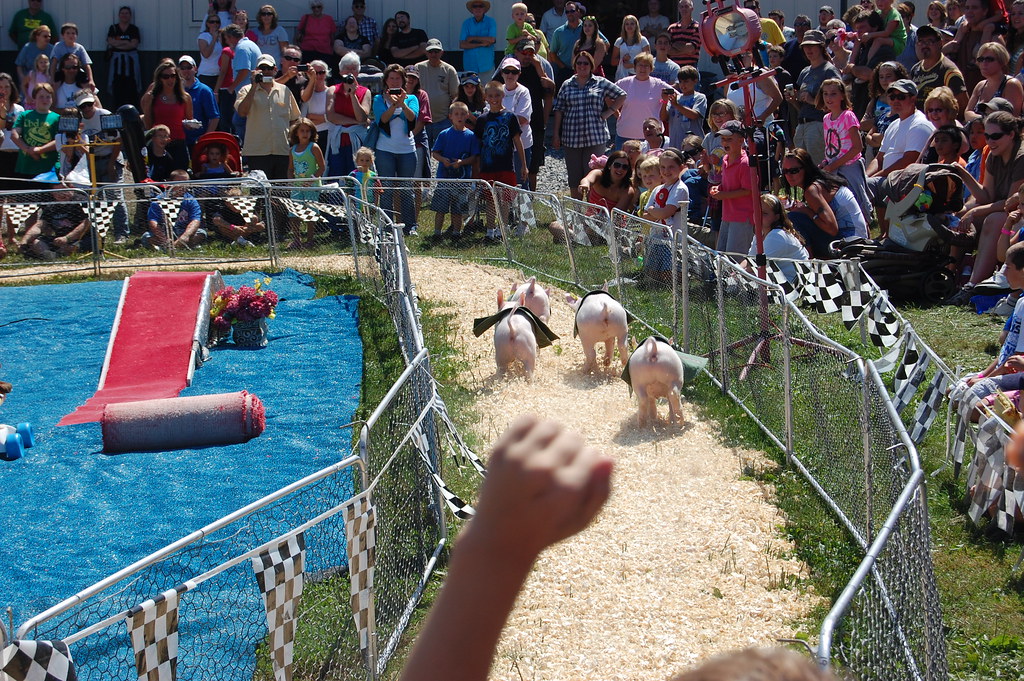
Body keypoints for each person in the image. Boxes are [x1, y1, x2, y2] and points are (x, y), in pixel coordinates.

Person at [949, 111, 1024, 300]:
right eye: (987, 136)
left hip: (1017, 215)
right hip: (1004, 211)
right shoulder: (992, 154)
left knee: (993, 219)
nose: (990, 141)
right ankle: (950, 276)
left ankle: (974, 286)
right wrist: (964, 174)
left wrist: (975, 211)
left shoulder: (1021, 157)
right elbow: (986, 196)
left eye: (996, 136)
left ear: (1011, 135)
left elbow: (1010, 204)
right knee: (958, 216)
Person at [552, 51, 626, 199]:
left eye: (585, 63)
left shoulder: (600, 82)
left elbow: (622, 95)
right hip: (571, 137)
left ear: (591, 65)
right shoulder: (567, 84)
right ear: (575, 65)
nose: (582, 66)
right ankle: (577, 212)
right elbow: (559, 110)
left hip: (595, 136)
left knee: (594, 175)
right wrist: (556, 134)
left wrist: (609, 112)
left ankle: (592, 211)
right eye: (579, 63)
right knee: (574, 177)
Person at [866, 78, 934, 227]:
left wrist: (876, 177)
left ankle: (856, 230)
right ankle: (884, 234)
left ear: (913, 99)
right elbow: (879, 158)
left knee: (868, 186)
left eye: (901, 97)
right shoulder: (894, 124)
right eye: (892, 97)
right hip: (889, 179)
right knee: (862, 184)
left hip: (907, 180)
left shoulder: (919, 124)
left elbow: (909, 160)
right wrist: (866, 176)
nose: (896, 100)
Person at [782, 148, 868, 257]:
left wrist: (806, 211)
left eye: (794, 171)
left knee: (794, 217)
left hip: (850, 244)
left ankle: (808, 262)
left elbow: (832, 229)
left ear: (806, 169)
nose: (789, 175)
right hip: (857, 237)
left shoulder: (812, 190)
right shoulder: (821, 182)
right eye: (785, 171)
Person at [476, 79, 526, 242]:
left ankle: (503, 228)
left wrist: (524, 165)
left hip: (506, 165)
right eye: (490, 96)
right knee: (490, 199)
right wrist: (476, 170)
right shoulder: (482, 119)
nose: (494, 99)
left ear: (503, 95)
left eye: (497, 95)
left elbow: (518, 141)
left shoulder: (510, 117)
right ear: (486, 97)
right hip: (487, 166)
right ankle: (490, 230)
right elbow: (478, 145)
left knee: (505, 200)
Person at [236, 54, 300, 179]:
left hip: (282, 151)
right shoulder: (246, 90)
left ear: (275, 70)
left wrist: (292, 143)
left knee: (281, 193)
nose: (265, 72)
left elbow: (295, 119)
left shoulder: (285, 90)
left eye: (268, 68)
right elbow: (242, 112)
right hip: (257, 151)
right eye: (262, 69)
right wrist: (254, 86)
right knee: (259, 193)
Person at [373, 64, 420, 234]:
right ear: (385, 81)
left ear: (403, 81)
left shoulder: (412, 98)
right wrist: (393, 106)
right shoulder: (379, 99)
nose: (394, 81)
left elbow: (412, 117)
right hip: (385, 149)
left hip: (407, 150)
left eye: (398, 78)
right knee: (386, 189)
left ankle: (410, 225)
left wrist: (402, 103)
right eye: (391, 78)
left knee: (407, 189)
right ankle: (387, 226)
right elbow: (381, 120)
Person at [818, 78, 872, 222]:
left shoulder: (848, 116)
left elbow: (857, 147)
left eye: (833, 94)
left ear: (842, 95)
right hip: (833, 167)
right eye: (825, 94)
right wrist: (825, 162)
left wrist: (833, 165)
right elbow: (831, 146)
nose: (829, 98)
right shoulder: (826, 119)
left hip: (849, 166)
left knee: (857, 202)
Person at [427, 101, 481, 245]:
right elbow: (435, 153)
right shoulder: (444, 134)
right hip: (444, 179)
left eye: (463, 114)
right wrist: (443, 159)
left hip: (462, 180)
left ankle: (457, 233)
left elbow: (474, 157)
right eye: (456, 114)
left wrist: (461, 163)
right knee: (440, 208)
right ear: (450, 116)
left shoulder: (471, 136)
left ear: (467, 116)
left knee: (458, 210)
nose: (460, 117)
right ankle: (437, 233)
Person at [788, 30, 843, 165]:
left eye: (812, 46)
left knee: (818, 167)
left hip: (819, 124)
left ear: (821, 47)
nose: (808, 49)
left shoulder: (829, 70)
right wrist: (794, 100)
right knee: (802, 168)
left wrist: (812, 100)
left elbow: (838, 101)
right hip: (802, 124)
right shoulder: (805, 71)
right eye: (805, 46)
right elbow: (802, 106)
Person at [708, 120, 754, 253]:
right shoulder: (726, 160)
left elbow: (748, 190)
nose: (724, 143)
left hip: (742, 217)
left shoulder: (745, 163)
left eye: (729, 139)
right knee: (722, 253)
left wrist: (723, 195)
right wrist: (719, 188)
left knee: (736, 258)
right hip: (727, 215)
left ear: (741, 140)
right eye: (723, 139)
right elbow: (728, 184)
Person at [943, 0, 1008, 93]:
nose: (969, 11)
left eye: (974, 8)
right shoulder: (962, 33)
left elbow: (1003, 72)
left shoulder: (994, 38)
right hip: (961, 96)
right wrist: (944, 49)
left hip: (985, 97)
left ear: (985, 11)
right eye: (967, 8)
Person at [140, 59, 194, 166]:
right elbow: (148, 124)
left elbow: (189, 119)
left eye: (173, 76)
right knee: (159, 179)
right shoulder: (152, 97)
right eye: (166, 76)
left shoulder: (185, 97)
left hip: (178, 142)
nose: (170, 79)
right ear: (159, 79)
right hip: (159, 145)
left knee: (180, 177)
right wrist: (148, 105)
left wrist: (190, 124)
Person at [325, 52, 370, 177]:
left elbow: (362, 116)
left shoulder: (365, 92)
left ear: (358, 72)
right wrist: (357, 122)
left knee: (356, 175)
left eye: (353, 68)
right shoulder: (332, 90)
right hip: (337, 141)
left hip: (356, 142)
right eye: (347, 68)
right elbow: (331, 117)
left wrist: (353, 95)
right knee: (336, 174)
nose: (350, 72)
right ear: (340, 71)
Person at [745, 194, 809, 282]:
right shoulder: (761, 232)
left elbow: (757, 266)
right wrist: (734, 271)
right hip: (778, 281)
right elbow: (750, 260)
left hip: (796, 286)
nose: (758, 216)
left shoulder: (777, 236)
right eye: (756, 211)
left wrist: (735, 276)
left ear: (776, 217)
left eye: (764, 214)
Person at [18, 183, 90, 259]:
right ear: (52, 193)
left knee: (73, 247)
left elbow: (86, 223)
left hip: (81, 238)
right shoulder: (52, 206)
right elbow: (39, 226)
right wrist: (24, 241)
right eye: (57, 192)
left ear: (71, 188)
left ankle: (56, 254)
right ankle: (49, 256)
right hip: (59, 239)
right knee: (36, 242)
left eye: (64, 191)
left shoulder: (81, 202)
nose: (61, 194)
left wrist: (67, 238)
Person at [614, 52, 670, 148]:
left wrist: (666, 103)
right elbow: (607, 95)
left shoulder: (659, 84)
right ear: (635, 67)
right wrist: (615, 112)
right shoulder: (623, 83)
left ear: (651, 68)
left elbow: (676, 95)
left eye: (646, 66)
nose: (643, 68)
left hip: (651, 137)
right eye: (640, 65)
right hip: (625, 135)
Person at [286, 117, 325, 249]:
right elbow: (290, 169)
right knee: (294, 213)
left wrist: (312, 179)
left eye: (308, 131)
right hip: (297, 186)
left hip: (312, 186)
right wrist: (290, 181)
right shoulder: (292, 150)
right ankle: (296, 239)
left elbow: (322, 167)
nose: (305, 133)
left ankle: (310, 240)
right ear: (296, 132)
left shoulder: (314, 147)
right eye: (302, 130)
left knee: (310, 212)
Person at [910, 24, 968, 111]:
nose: (924, 45)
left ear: (940, 43)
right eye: (921, 41)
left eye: (929, 41)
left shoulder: (948, 70)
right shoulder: (915, 69)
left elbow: (962, 104)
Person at [144, 169, 205, 250]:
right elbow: (153, 222)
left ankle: (172, 247)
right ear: (170, 183)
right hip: (165, 232)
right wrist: (164, 238)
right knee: (146, 236)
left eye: (185, 183)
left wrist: (185, 236)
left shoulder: (191, 200)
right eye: (179, 183)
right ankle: (176, 246)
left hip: (183, 231)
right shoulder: (159, 200)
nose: (182, 186)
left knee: (201, 233)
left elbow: (195, 220)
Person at [417, 39, 461, 149]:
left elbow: (456, 95)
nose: (433, 54)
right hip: (422, 120)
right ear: (426, 53)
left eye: (436, 51)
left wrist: (451, 116)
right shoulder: (418, 68)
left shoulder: (449, 70)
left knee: (444, 152)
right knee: (423, 153)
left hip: (443, 120)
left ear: (442, 52)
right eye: (431, 51)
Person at [965, 42, 1024, 120]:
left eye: (989, 59)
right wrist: (983, 119)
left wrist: (980, 119)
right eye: (981, 59)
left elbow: (1012, 118)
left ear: (1002, 62)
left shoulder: (1011, 84)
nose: (984, 63)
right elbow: (967, 113)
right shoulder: (980, 85)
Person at [223, 23, 262, 141]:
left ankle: (246, 154)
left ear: (231, 37)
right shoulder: (251, 44)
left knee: (239, 122)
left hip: (247, 95)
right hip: (255, 93)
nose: (227, 42)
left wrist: (231, 87)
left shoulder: (242, 48)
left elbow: (245, 70)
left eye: (226, 39)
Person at [10, 82, 56, 180]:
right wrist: (28, 150)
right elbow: (14, 135)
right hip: (26, 167)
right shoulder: (25, 115)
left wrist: (39, 150)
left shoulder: (57, 118)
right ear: (34, 98)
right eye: (41, 96)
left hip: (48, 169)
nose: (45, 100)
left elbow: (60, 140)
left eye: (48, 96)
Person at [862, 60, 906, 158]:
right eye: (881, 77)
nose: (884, 80)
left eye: (888, 76)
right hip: (873, 147)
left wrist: (878, 122)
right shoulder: (875, 100)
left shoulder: (904, 99)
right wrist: (872, 136)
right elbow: (863, 124)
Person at [177, 55, 220, 150]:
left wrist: (205, 139)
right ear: (178, 70)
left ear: (195, 69)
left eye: (189, 67)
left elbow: (214, 117)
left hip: (197, 141)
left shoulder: (204, 91)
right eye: (182, 68)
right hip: (178, 140)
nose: (186, 71)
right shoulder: (174, 90)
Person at [105, 6, 141, 110]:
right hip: (117, 63)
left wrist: (118, 44)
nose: (124, 15)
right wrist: (126, 42)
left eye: (127, 13)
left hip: (131, 63)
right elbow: (110, 41)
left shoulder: (134, 29)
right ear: (119, 15)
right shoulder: (114, 28)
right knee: (117, 87)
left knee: (132, 87)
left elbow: (134, 44)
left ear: (130, 16)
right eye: (122, 13)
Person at [663, 65, 705, 148]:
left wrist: (676, 105)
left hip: (693, 145)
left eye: (686, 81)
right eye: (680, 81)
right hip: (675, 144)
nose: (682, 85)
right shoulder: (674, 98)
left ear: (695, 81)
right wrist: (664, 101)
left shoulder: (700, 97)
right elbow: (664, 118)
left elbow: (694, 115)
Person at [0, 73, 26, 190]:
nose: (4, 90)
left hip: (17, 153)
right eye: (0, 87)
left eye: (6, 87)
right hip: (1, 152)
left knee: (16, 192)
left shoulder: (19, 109)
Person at [549, 1, 586, 84]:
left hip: (585, 69)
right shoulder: (559, 32)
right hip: (565, 71)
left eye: (572, 11)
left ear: (578, 12)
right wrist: (562, 67)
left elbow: (605, 43)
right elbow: (552, 53)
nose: (570, 14)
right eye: (567, 12)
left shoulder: (587, 27)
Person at [49, 24, 93, 92]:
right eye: (68, 33)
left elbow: (87, 65)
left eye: (73, 33)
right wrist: (52, 78)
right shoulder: (58, 46)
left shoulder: (80, 48)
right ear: (63, 35)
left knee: (87, 85)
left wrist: (91, 80)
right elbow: (54, 64)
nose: (71, 35)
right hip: (62, 71)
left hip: (76, 71)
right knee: (54, 85)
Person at [461, 0, 497, 78]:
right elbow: (462, 44)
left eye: (480, 6)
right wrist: (481, 44)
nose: (478, 8)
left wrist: (472, 38)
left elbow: (492, 40)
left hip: (487, 65)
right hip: (470, 65)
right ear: (472, 9)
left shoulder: (491, 22)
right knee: (469, 90)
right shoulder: (466, 23)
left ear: (484, 9)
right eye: (475, 6)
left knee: (487, 90)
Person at [15, 26, 52, 101]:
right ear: (37, 36)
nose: (47, 38)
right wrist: (22, 78)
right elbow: (19, 64)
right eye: (45, 36)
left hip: (45, 79)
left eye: (49, 36)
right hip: (30, 79)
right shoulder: (28, 47)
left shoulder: (52, 49)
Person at [299, 58, 330, 150]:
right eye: (315, 73)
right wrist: (312, 79)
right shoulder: (305, 91)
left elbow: (334, 117)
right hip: (309, 135)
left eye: (322, 72)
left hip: (328, 134)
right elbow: (305, 117)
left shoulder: (331, 92)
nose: (318, 75)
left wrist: (312, 117)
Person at [295, 0, 336, 67]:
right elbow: (297, 35)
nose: (316, 9)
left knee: (323, 74)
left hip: (325, 52)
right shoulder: (305, 18)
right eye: (314, 7)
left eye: (318, 7)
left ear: (322, 8)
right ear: (311, 8)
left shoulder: (329, 19)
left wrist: (332, 50)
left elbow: (332, 37)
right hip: (307, 51)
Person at [612, 15, 650, 81]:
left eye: (632, 24)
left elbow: (648, 60)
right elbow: (613, 62)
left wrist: (632, 65)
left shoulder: (643, 40)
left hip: (639, 75)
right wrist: (622, 59)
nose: (629, 26)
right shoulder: (619, 41)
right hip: (622, 75)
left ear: (636, 26)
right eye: (627, 24)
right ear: (624, 26)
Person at [667, 0, 701, 68]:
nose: (684, 9)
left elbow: (690, 48)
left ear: (692, 9)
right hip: (673, 68)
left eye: (686, 6)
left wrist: (674, 44)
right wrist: (686, 51)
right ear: (679, 9)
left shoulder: (698, 28)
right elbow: (667, 50)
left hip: (691, 68)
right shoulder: (671, 28)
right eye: (681, 7)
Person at [197, 14, 224, 91]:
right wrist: (214, 39)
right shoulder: (203, 36)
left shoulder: (221, 36)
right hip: (206, 74)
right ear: (207, 24)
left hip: (219, 74)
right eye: (212, 22)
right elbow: (206, 54)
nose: (215, 24)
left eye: (217, 22)